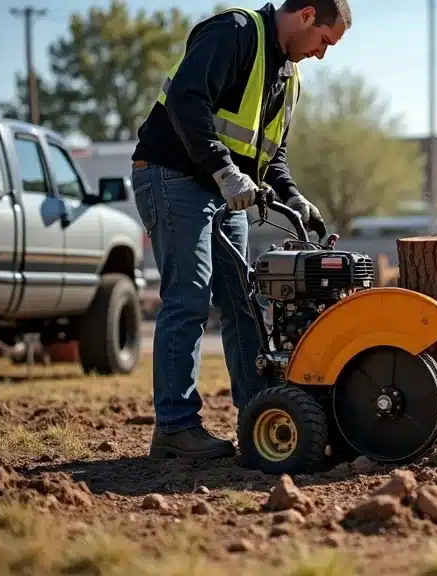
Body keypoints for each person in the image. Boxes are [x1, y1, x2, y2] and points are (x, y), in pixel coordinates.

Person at [129, 0, 351, 460]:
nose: (321, 54)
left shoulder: (288, 76)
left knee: (244, 302)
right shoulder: (234, 33)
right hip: (174, 176)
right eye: (325, 42)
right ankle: (175, 427)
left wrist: (292, 196)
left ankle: (260, 415)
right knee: (188, 299)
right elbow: (187, 100)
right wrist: (225, 171)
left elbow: (273, 155)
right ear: (307, 15)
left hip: (222, 185)